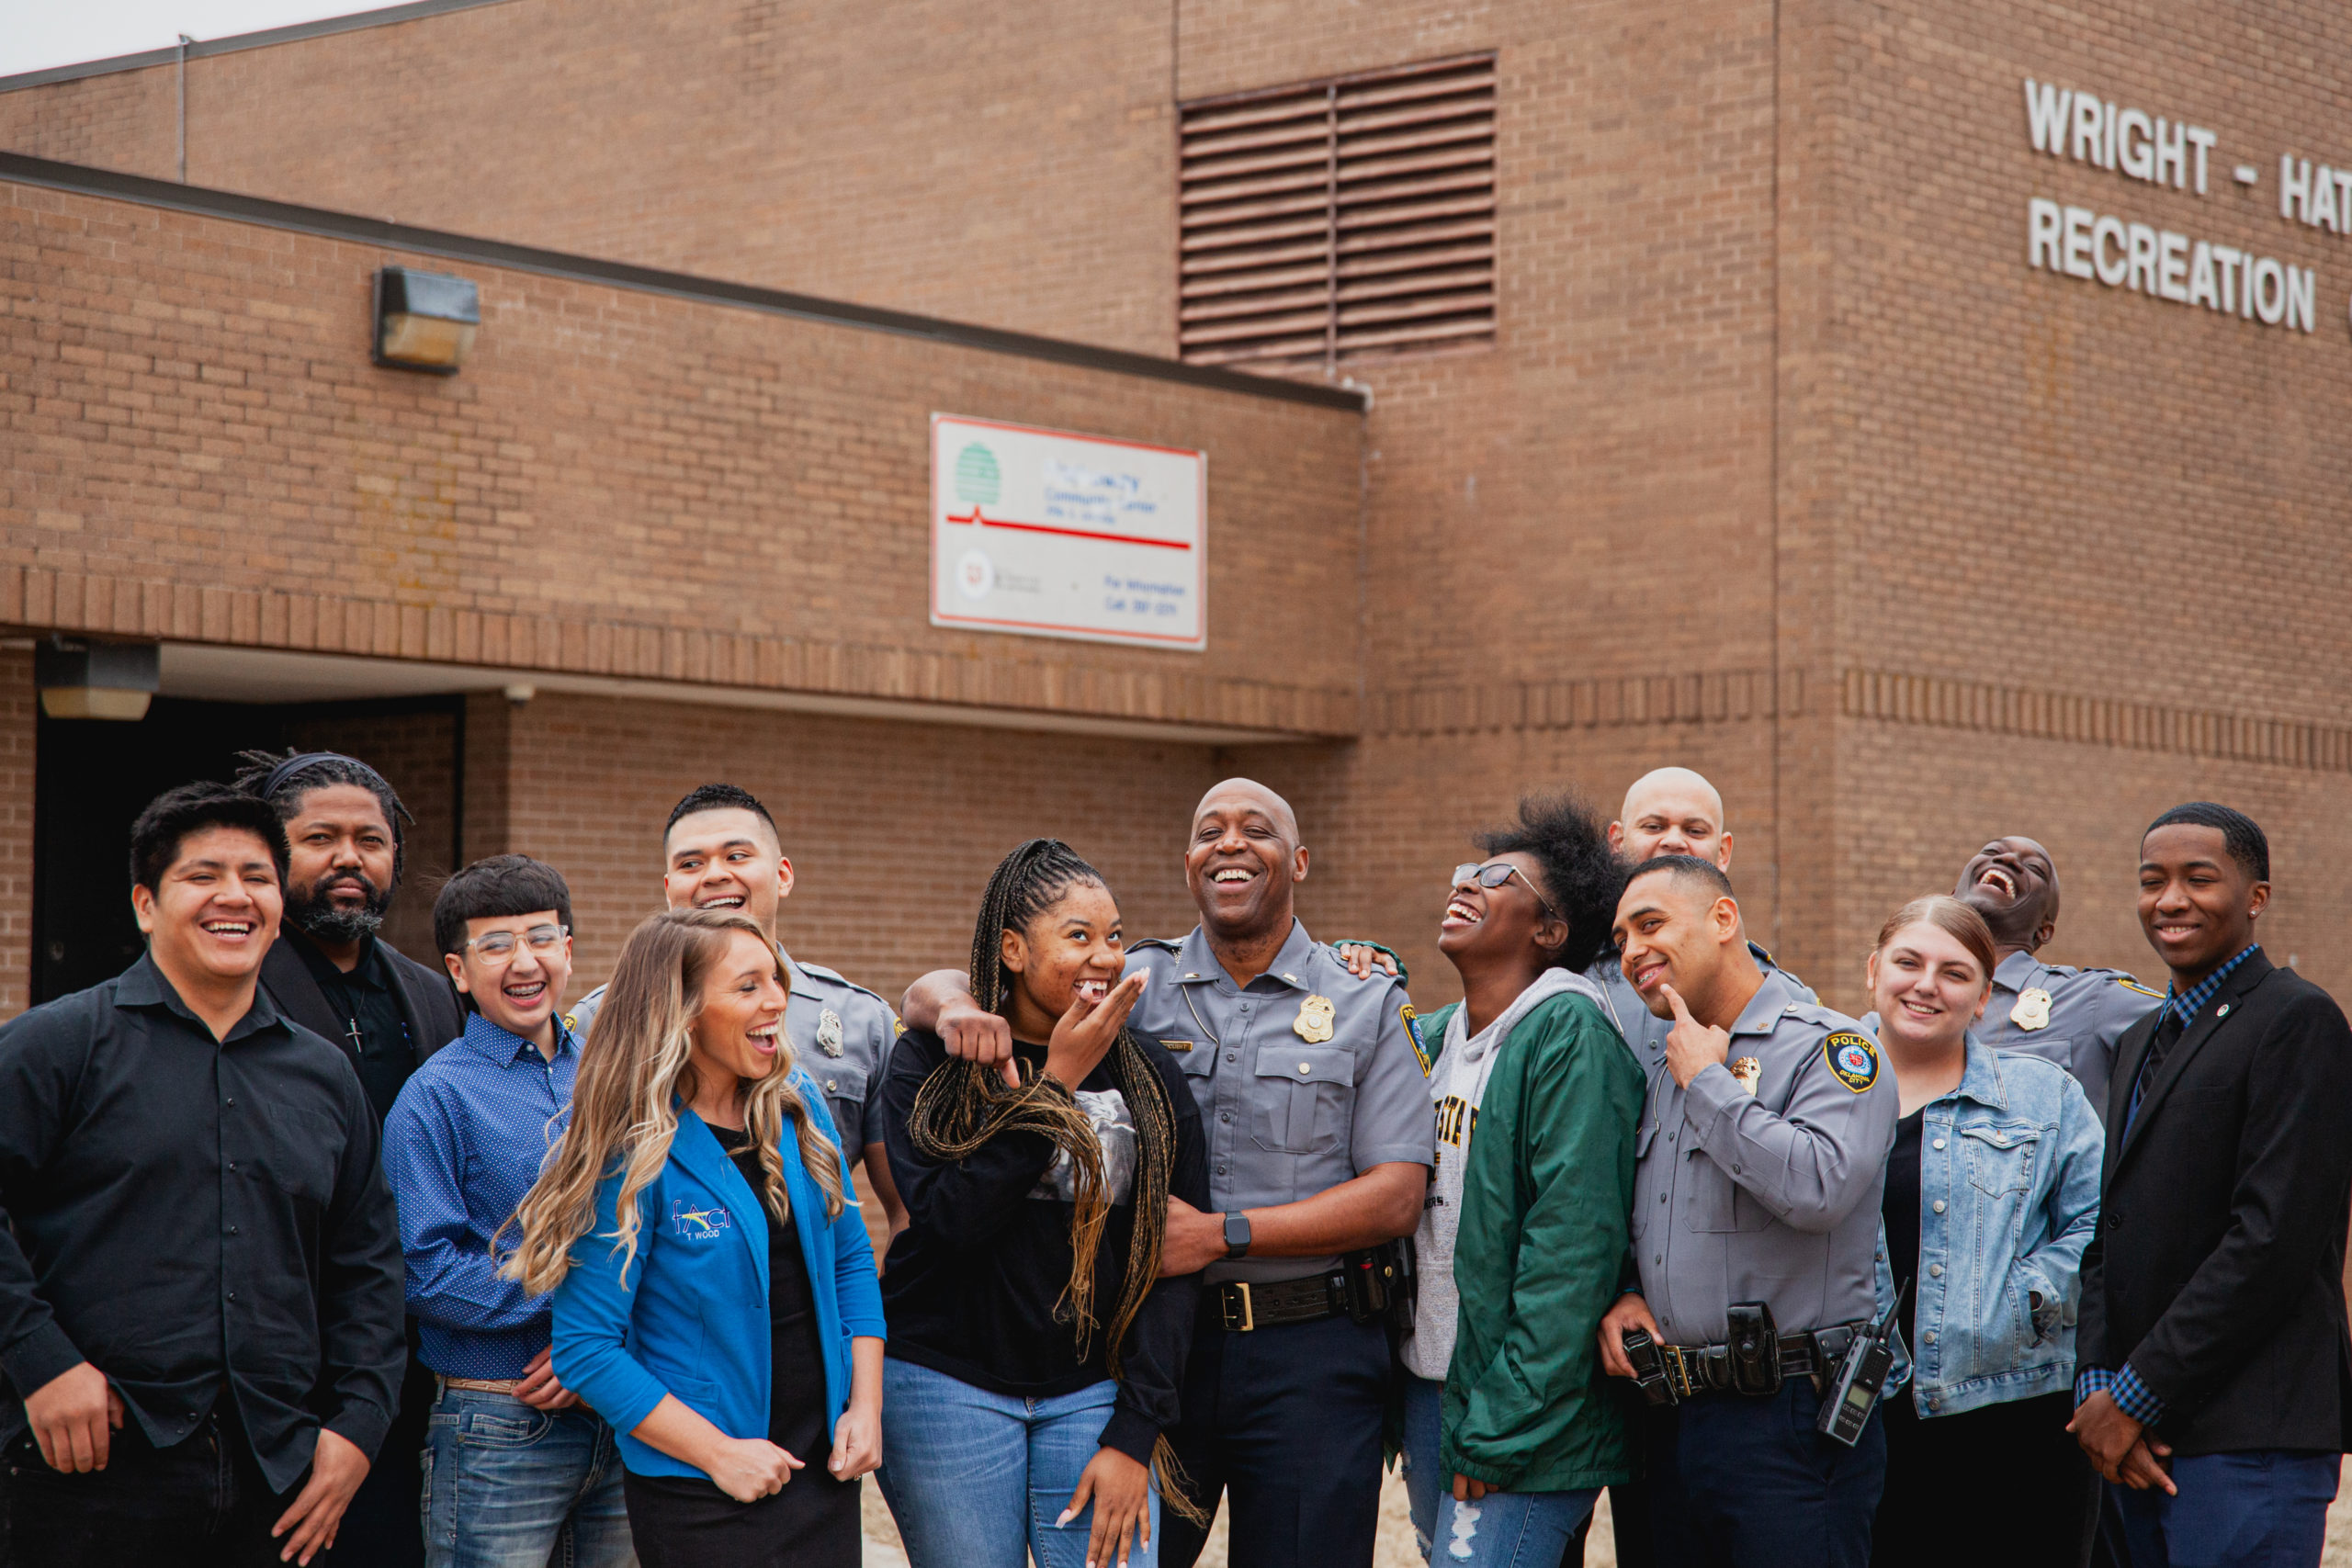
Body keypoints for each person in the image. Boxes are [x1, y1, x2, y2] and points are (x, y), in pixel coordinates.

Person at [903, 779, 1431, 1568]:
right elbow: (976, 987)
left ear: (1300, 861)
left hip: (1307, 1351)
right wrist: (948, 1003)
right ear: (1188, 864)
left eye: (1257, 829)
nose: (1230, 843)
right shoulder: (1131, 983)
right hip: (1147, 1354)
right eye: (1210, 831)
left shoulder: (1363, 997)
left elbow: (1396, 1194)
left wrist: (1223, 1234)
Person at [0, 782, 407, 1567]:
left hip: (278, 1476)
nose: (235, 896)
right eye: (203, 875)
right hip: (86, 1467)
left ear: (278, 907)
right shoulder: (59, 1045)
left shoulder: (325, 1075)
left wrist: (359, 1424)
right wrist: (40, 1359)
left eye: (257, 877)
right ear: (145, 905)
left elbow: (368, 1263)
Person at [510, 908, 883, 1568]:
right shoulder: (630, 1149)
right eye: (748, 986)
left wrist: (865, 1407)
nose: (777, 1000)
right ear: (681, 1012)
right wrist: (720, 1454)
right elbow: (586, 1349)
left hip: (822, 1468)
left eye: (776, 978)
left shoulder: (796, 1101)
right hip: (702, 1489)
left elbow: (850, 1258)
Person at [876, 839, 1211, 1568]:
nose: (1106, 956)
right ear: (1013, 949)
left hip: (1092, 1390)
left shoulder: (1150, 1075)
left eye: (1115, 936)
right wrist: (1054, 1085)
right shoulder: (933, 1061)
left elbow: (1173, 1264)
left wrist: (1135, 1432)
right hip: (943, 1381)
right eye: (1079, 935)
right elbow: (950, 1221)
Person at [1594, 855, 1897, 1568]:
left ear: (1724, 918)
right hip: (1676, 1414)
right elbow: (1659, 1217)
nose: (1632, 950)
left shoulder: (1832, 1048)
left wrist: (1710, 1083)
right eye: (1621, 938)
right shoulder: (1669, 1063)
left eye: (1650, 924)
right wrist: (1631, 1288)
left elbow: (1819, 1186)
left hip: (1791, 1417)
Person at [2073, 804, 2352, 1568]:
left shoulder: (2298, 1020)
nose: (2170, 899)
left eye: (2199, 878)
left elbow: (2270, 1241)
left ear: (2256, 896)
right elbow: (2109, 1230)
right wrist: (2098, 1386)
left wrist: (2134, 1394)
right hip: (2132, 1438)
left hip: (2249, 1438)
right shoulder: (2139, 1039)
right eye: (2152, 880)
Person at [1395, 796, 1642, 1565]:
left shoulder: (1570, 1031)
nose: (1465, 883)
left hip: (1522, 1407)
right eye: (1466, 870)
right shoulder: (1438, 1037)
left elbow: (1571, 1251)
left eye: (1497, 878)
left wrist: (1503, 1421)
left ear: (1550, 929)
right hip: (1431, 1383)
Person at [239, 747, 467, 1567]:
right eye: (321, 838)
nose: (349, 858)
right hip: (277, 1364)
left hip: (414, 1356)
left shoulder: (434, 995)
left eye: (370, 840)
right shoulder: (234, 984)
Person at [380, 856, 631, 1568]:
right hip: (499, 1424)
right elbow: (424, 1272)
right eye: (496, 945)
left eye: (541, 938)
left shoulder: (614, 1075)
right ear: (458, 970)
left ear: (568, 950)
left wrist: (599, 1343)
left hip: (623, 1410)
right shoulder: (433, 1098)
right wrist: (581, 1308)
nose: (524, 961)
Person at [1861, 896, 2103, 1568]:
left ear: (1983, 997)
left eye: (1954, 972)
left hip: (2017, 1416)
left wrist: (2024, 1295)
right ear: (1874, 970)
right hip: (1860, 1420)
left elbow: (2102, 1224)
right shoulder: (1819, 1087)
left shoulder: (2044, 1095)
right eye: (1908, 963)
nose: (1926, 985)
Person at [566, 784, 907, 1238]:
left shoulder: (864, 1022)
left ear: (783, 876)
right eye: (691, 864)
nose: (713, 875)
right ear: (668, 890)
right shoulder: (602, 1020)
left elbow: (906, 1211)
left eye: (737, 856)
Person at [1861, 836, 2160, 1119]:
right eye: (1991, 852)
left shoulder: (2091, 998)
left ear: (2045, 929)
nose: (2007, 860)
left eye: (2034, 868)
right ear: (1952, 897)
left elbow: (2184, 1032)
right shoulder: (1874, 1028)